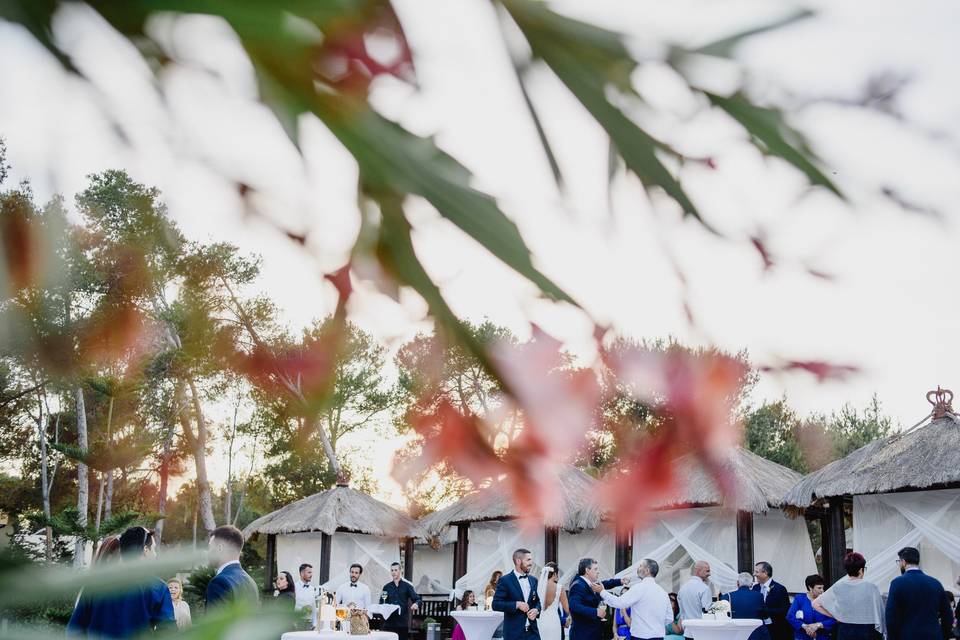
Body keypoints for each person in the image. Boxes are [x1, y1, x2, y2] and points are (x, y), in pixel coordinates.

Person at [67, 526, 175, 638]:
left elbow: (75, 630)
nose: (156, 555)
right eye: (154, 549)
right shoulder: (158, 588)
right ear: (145, 550)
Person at [812, 551, 885, 640]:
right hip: (866, 631)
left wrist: (836, 615)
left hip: (845, 631)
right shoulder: (871, 587)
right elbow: (880, 612)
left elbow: (815, 604)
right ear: (861, 570)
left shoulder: (838, 586)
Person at [885, 546, 953, 640]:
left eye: (899, 562)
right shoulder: (935, 583)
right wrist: (943, 635)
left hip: (907, 636)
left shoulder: (897, 583)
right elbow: (948, 615)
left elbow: (891, 617)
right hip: (933, 635)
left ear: (903, 562)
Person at [598, 558, 672, 640]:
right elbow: (669, 618)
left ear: (647, 570)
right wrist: (655, 625)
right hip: (658, 637)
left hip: (640, 637)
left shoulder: (639, 588)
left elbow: (619, 603)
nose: (638, 568)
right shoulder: (663, 593)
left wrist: (602, 592)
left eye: (640, 566)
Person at [567, 557, 624, 640]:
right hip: (583, 635)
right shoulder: (577, 585)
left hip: (592, 633)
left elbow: (604, 584)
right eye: (595, 569)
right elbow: (574, 606)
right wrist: (595, 612)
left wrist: (620, 581)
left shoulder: (588, 583)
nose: (598, 572)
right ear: (587, 570)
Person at [493, 548, 543, 640]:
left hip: (533, 633)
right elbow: (496, 604)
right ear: (518, 561)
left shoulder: (534, 580)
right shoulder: (505, 580)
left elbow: (539, 601)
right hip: (513, 634)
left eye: (531, 559)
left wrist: (536, 610)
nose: (531, 563)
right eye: (528, 560)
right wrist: (516, 604)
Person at [206, 524, 259, 608]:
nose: (208, 552)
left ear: (220, 548)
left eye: (210, 547)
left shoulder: (219, 582)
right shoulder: (251, 582)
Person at [721, 572, 770, 640]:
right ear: (751, 584)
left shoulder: (727, 596)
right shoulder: (758, 596)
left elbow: (721, 616)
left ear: (737, 583)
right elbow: (765, 614)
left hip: (735, 633)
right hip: (754, 633)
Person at [382, 561, 420, 640]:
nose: (393, 572)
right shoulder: (386, 587)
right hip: (389, 622)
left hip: (402, 622)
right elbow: (382, 602)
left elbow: (417, 599)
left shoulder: (407, 586)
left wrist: (416, 604)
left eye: (395, 570)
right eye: (392, 570)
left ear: (400, 571)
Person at [787, 575, 833, 639]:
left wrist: (818, 625)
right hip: (802, 636)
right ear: (810, 587)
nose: (822, 590)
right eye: (819, 588)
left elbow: (833, 619)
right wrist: (805, 627)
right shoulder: (800, 599)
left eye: (823, 588)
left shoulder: (826, 600)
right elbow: (790, 616)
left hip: (822, 636)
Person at [753, 561, 790, 640]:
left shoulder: (779, 589)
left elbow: (785, 610)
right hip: (757, 628)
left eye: (756, 572)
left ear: (765, 573)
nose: (754, 574)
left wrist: (766, 611)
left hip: (775, 629)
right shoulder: (755, 588)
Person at [677, 561, 712, 637]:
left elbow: (682, 612)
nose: (709, 574)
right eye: (707, 571)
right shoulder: (705, 589)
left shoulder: (682, 589)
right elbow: (708, 613)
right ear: (698, 571)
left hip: (687, 632)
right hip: (702, 632)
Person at [536, 562, 570, 640]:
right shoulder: (559, 588)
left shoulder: (538, 586)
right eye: (557, 574)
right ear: (554, 574)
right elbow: (567, 609)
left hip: (541, 620)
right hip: (553, 620)